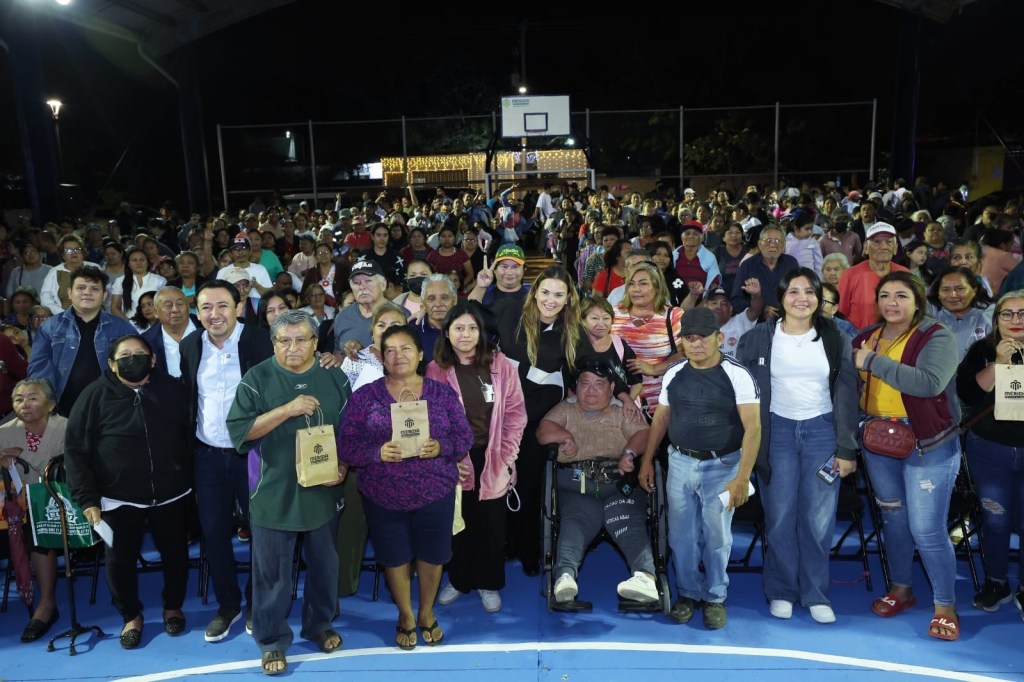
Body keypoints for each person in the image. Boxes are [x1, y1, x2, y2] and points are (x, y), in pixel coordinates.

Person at [226, 310, 350, 675]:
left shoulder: (334, 377)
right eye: (284, 340)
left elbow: (350, 432)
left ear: (316, 343)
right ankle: (271, 640)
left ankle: (319, 625)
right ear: (274, 343)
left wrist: (342, 466)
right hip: (273, 492)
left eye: (302, 340)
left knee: (325, 566)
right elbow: (240, 433)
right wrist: (287, 410)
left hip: (323, 491)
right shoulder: (257, 377)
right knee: (272, 575)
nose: (293, 347)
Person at [337, 325, 473, 650]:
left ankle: (426, 613)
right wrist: (376, 453)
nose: (398, 356)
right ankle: (405, 615)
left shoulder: (441, 394)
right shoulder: (365, 396)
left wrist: (442, 447)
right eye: (390, 350)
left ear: (421, 354)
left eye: (406, 349)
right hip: (383, 493)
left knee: (433, 554)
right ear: (382, 357)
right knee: (394, 556)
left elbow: (465, 437)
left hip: (435, 490)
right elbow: (345, 444)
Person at [736, 267, 858, 624]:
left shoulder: (836, 337)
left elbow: (849, 392)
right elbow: (743, 394)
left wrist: (847, 448)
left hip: (823, 432)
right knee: (779, 517)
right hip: (777, 433)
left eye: (809, 292)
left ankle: (816, 593)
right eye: (793, 291)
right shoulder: (758, 338)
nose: (801, 298)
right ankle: (781, 590)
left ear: (819, 299)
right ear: (782, 297)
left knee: (818, 520)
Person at [852, 271, 962, 641]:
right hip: (879, 442)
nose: (892, 303)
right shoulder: (867, 337)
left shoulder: (936, 336)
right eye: (885, 295)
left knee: (927, 530)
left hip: (927, 445)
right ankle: (902, 587)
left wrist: (872, 362)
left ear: (917, 301)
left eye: (901, 295)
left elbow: (929, 383)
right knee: (894, 521)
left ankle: (945, 604)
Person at [64, 335, 191, 649]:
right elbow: (76, 451)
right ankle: (131, 616)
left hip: (172, 492)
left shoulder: (174, 390)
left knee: (176, 554)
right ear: (111, 363)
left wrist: (192, 483)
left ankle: (172, 607)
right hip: (117, 496)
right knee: (119, 561)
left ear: (153, 359)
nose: (132, 359)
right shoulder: (93, 396)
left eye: (140, 353)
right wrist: (88, 499)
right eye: (125, 355)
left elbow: (191, 436)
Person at [637, 307, 760, 630]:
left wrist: (742, 478)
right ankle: (689, 594)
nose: (696, 344)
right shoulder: (674, 374)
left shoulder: (737, 374)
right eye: (689, 339)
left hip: (723, 466)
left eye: (702, 338)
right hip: (679, 462)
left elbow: (754, 429)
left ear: (718, 338)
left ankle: (716, 597)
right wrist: (647, 460)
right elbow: (661, 418)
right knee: (681, 535)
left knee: (717, 536)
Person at [469, 264, 587, 576]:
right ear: (535, 293)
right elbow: (467, 317)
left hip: (535, 424)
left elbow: (589, 368)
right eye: (545, 292)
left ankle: (528, 550)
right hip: (495, 417)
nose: (551, 299)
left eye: (558, 295)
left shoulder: (573, 333)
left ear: (568, 299)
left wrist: (627, 392)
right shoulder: (509, 311)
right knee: (493, 483)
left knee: (530, 487)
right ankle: (499, 545)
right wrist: (481, 286)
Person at [179, 280, 274, 642]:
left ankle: (255, 602)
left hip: (254, 453)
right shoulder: (191, 346)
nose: (214, 314)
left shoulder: (260, 341)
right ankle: (228, 604)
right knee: (214, 532)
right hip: (207, 455)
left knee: (262, 530)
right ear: (197, 311)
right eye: (205, 307)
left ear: (238, 307)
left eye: (222, 306)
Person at [427, 302, 526, 613]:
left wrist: (507, 456)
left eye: (472, 328)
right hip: (454, 460)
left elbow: (514, 413)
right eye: (458, 328)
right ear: (447, 332)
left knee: (492, 526)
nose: (465, 334)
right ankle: (459, 579)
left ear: (482, 332)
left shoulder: (502, 365)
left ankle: (489, 582)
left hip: (493, 457)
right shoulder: (435, 369)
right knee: (457, 524)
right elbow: (432, 418)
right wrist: (446, 456)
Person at [536, 358, 656, 604]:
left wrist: (629, 453)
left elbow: (644, 433)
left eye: (599, 384)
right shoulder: (565, 408)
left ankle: (646, 578)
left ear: (611, 388)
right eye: (585, 384)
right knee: (576, 524)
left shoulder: (623, 410)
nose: (591, 390)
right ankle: (565, 577)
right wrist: (565, 436)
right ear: (575, 387)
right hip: (577, 485)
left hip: (618, 484)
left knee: (625, 521)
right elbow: (543, 430)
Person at [956, 289, 1024, 614]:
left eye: (1022, 313)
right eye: (1007, 314)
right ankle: (997, 582)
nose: (1015, 320)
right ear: (997, 319)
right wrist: (999, 363)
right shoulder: (982, 350)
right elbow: (967, 393)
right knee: (996, 519)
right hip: (990, 450)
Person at [0, 378, 67, 643]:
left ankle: (47, 604)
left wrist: (22, 458)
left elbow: (69, 471)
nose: (24, 404)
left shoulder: (68, 428)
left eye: (32, 398)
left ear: (50, 404)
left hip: (58, 503)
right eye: (18, 399)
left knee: (37, 528)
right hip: (16, 508)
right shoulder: (4, 432)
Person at [28, 267, 137, 417]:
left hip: (112, 409)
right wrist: (47, 401)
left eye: (94, 289)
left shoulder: (122, 328)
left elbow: (135, 367)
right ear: (69, 293)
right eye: (81, 287)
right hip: (63, 410)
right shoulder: (50, 328)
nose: (87, 292)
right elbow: (39, 368)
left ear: (104, 295)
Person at [609, 261, 684, 421]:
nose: (636, 289)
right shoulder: (614, 313)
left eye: (643, 284)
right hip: (617, 401)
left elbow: (686, 353)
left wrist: (654, 368)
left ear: (657, 287)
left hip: (660, 404)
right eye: (632, 284)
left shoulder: (673, 315)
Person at [575, 297, 643, 416]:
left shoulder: (620, 346)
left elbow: (637, 383)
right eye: (594, 318)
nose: (601, 323)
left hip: (620, 408)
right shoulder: (575, 347)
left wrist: (626, 403)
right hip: (584, 410)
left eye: (606, 318)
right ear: (583, 320)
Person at [838, 223, 908, 330]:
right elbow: (840, 315)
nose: (884, 247)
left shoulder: (905, 274)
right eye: (877, 242)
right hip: (859, 341)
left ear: (895, 248)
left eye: (889, 242)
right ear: (865, 247)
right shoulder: (850, 275)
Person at [730, 225, 799, 320]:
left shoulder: (792, 263)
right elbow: (736, 300)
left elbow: (799, 292)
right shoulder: (747, 266)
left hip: (788, 320)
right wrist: (760, 310)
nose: (773, 244)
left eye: (778, 241)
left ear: (783, 245)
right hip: (756, 323)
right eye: (768, 240)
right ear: (759, 244)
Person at [926, 265, 993, 362]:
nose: (953, 295)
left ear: (974, 290)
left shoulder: (991, 316)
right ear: (938, 293)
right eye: (946, 289)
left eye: (960, 289)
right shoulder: (928, 316)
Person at [341, 302, 407, 392]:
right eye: (381, 325)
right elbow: (342, 398)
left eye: (395, 325)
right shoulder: (355, 360)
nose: (387, 330)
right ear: (373, 330)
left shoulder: (412, 360)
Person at [141, 286, 198, 378]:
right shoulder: (146, 341)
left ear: (188, 307)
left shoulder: (205, 329)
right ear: (156, 312)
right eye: (168, 305)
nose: (175, 309)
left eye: (180, 304)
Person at [39, 235, 100, 314]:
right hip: (63, 317)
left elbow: (104, 293)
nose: (73, 253)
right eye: (68, 250)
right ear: (63, 255)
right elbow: (45, 299)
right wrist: (64, 314)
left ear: (83, 252)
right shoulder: (54, 272)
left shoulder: (94, 268)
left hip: (92, 314)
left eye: (77, 249)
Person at [111, 247, 167, 323]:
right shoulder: (120, 281)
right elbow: (115, 308)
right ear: (128, 264)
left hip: (155, 323)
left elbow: (164, 305)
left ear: (148, 263)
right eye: (134, 260)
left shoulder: (160, 280)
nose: (138, 263)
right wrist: (130, 324)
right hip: (129, 325)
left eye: (142, 260)